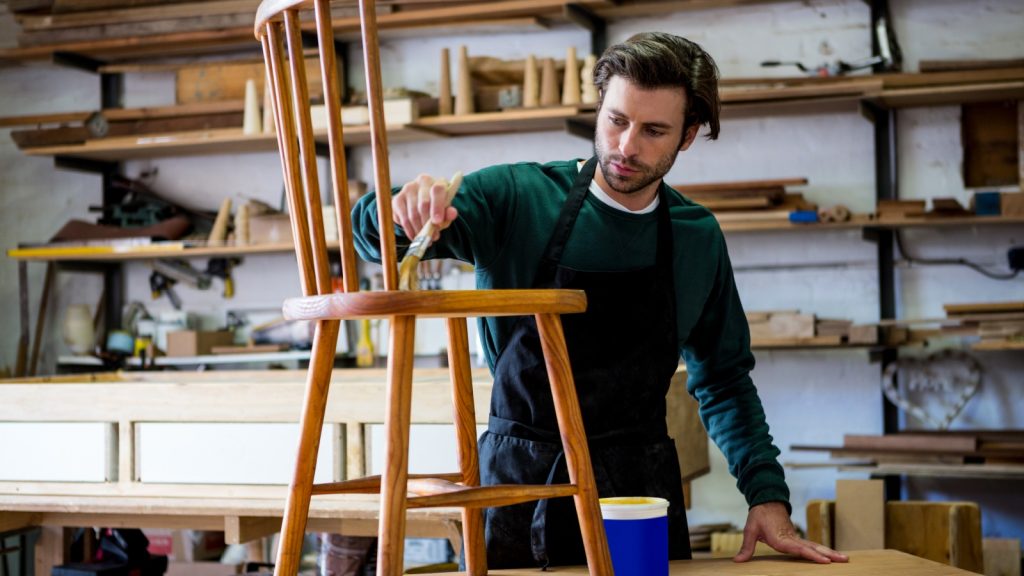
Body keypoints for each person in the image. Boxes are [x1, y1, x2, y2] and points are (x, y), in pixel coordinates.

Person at [352, 32, 848, 569]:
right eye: (616, 120)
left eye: (654, 130)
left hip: (636, 495)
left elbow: (724, 380)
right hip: (521, 486)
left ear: (688, 136)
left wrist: (767, 498)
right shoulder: (519, 199)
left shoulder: (694, 237)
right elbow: (371, 236)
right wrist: (400, 209)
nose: (626, 146)